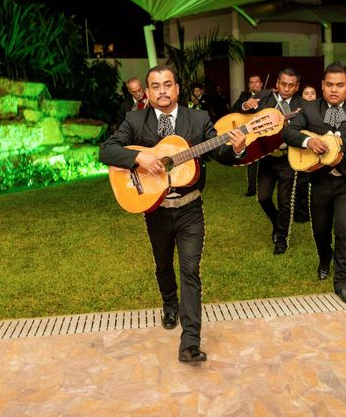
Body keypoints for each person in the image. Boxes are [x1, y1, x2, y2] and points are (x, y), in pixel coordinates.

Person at [100, 65, 246, 363]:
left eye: (168, 85)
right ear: (148, 91)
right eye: (156, 86)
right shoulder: (135, 119)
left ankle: (190, 342)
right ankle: (169, 303)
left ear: (177, 88)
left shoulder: (199, 118)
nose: (162, 91)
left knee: (190, 271)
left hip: (191, 208)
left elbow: (220, 154)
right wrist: (138, 156)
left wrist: (238, 148)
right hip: (156, 209)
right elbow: (107, 151)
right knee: (163, 263)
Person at [282, 62, 346, 305]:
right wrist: (308, 143)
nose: (334, 90)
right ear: (323, 86)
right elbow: (288, 132)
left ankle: (342, 281)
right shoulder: (310, 108)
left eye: (339, 85)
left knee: (344, 229)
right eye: (329, 85)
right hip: (319, 180)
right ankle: (324, 259)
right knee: (321, 229)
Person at [237, 68, 305, 254]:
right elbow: (238, 110)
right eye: (283, 84)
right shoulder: (265, 97)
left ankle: (281, 239)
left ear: (297, 87)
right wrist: (245, 106)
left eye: (291, 85)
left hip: (287, 159)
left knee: (285, 202)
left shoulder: (302, 105)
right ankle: (276, 221)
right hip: (266, 157)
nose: (286, 88)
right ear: (277, 83)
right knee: (263, 198)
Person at [232, 73, 263, 197]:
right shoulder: (244, 96)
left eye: (257, 82)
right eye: (251, 82)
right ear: (249, 85)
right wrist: (245, 105)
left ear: (261, 84)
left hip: (266, 132)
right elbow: (234, 110)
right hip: (251, 133)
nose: (255, 84)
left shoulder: (268, 95)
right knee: (252, 161)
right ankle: (251, 189)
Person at [294, 84, 318, 223]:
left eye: (312, 93)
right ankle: (301, 214)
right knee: (301, 183)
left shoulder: (322, 110)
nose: (309, 95)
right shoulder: (298, 111)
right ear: (302, 96)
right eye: (306, 93)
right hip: (302, 151)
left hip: (318, 151)